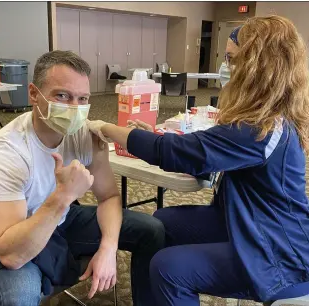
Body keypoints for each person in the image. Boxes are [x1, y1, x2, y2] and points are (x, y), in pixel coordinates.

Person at [87, 16, 309, 305]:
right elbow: (204, 148)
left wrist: (106, 128)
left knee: (169, 268)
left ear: (258, 67)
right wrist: (149, 136)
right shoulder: (270, 120)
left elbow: (177, 153)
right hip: (251, 220)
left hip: (276, 249)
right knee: (160, 223)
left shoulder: (261, 129)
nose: (225, 69)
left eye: (231, 60)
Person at [0, 50, 165, 306]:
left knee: (152, 230)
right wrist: (63, 196)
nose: (74, 108)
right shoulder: (5, 151)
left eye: (82, 98)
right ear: (34, 94)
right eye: (62, 95)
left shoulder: (86, 135)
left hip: (64, 220)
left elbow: (108, 196)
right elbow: (10, 255)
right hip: (18, 230)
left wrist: (108, 247)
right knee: (19, 296)